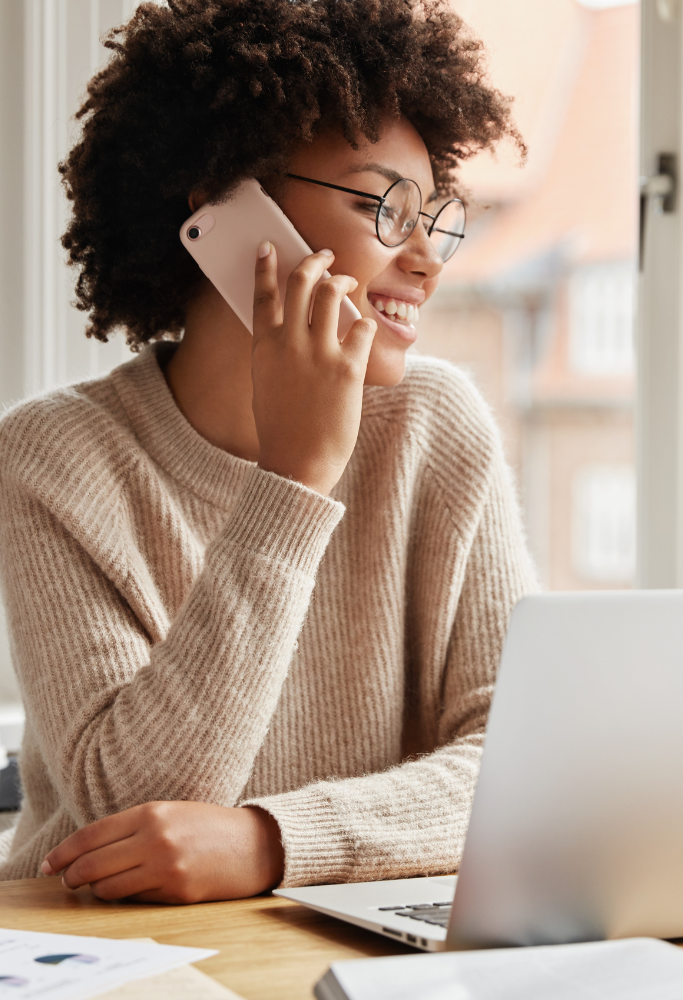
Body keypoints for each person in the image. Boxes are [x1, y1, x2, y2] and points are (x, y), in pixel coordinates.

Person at [0, 0, 536, 902]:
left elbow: (523, 763)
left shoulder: (437, 427)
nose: (426, 260)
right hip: (111, 949)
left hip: (344, 940)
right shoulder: (54, 458)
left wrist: (272, 842)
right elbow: (134, 820)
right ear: (228, 209)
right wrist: (295, 480)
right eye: (383, 207)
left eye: (434, 217)